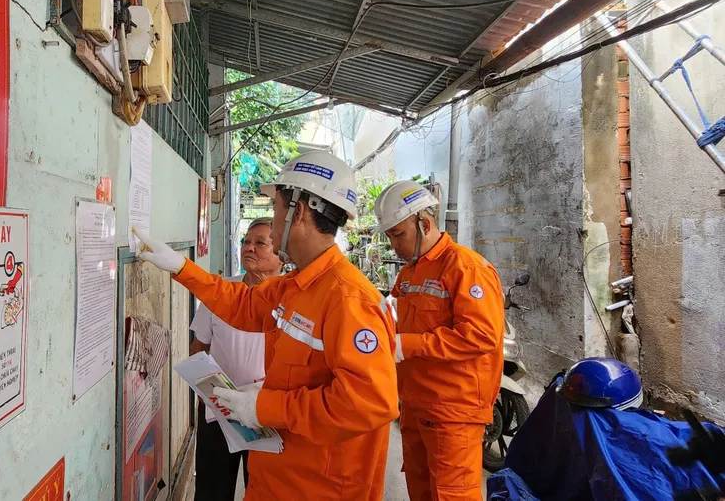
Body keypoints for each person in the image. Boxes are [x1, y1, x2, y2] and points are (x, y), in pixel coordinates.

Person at [135, 150, 398, 501]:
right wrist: (182, 268)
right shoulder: (296, 285)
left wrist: (264, 407)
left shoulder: (348, 300)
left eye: (274, 210)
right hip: (276, 478)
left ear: (297, 212)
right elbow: (242, 304)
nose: (271, 226)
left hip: (319, 489)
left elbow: (369, 403)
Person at [373, 180, 504, 501]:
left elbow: (481, 335)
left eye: (398, 234)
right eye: (389, 236)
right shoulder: (409, 273)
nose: (393, 245)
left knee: (452, 494)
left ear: (425, 224)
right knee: (421, 490)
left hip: (453, 414)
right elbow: (395, 320)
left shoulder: (466, 267)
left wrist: (408, 345)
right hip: (416, 406)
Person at [189, 216, 282, 501]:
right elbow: (198, 348)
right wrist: (213, 392)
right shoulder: (221, 292)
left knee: (266, 490)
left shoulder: (293, 298)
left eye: (260, 243)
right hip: (219, 411)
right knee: (212, 490)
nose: (248, 248)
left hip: (268, 413)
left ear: (281, 254)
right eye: (245, 241)